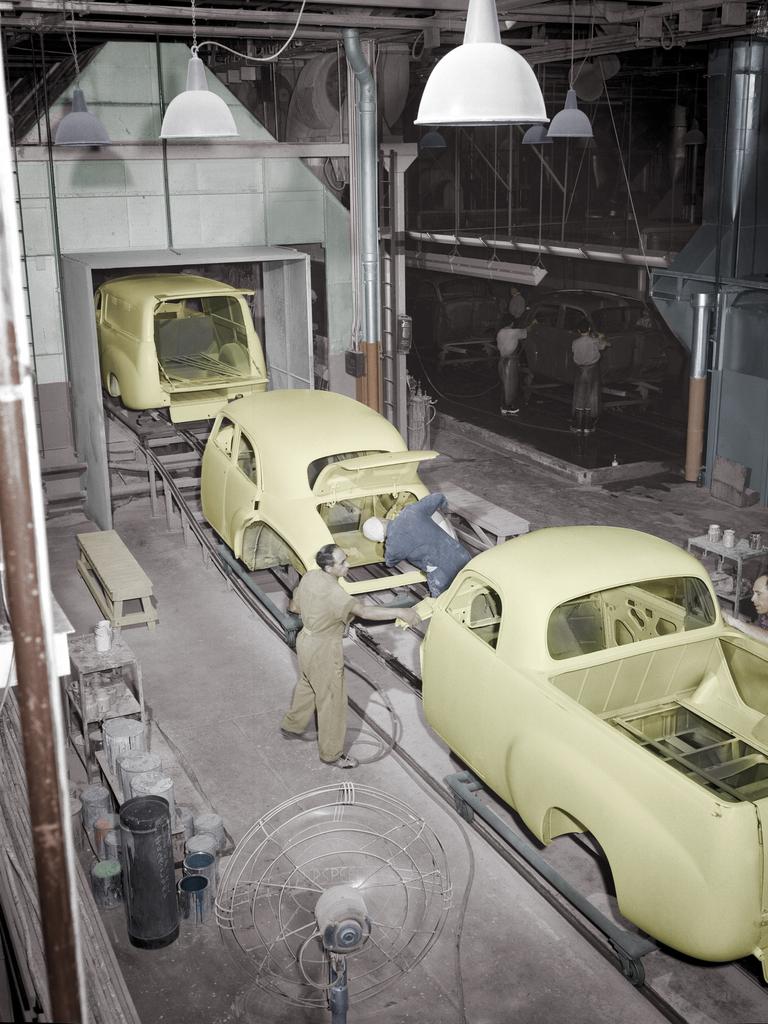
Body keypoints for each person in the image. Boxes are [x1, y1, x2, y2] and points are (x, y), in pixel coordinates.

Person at [280, 544, 420, 769]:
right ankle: (332, 754)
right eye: (342, 563)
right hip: (325, 649)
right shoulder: (335, 593)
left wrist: (319, 615)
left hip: (306, 641)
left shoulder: (310, 576)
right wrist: (400, 611)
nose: (348, 565)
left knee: (308, 686)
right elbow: (364, 612)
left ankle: (292, 726)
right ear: (329, 567)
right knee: (332, 701)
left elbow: (294, 606)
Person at [362, 492, 472, 598]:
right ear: (382, 520)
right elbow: (438, 497)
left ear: (380, 540)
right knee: (473, 584)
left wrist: (387, 546)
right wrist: (445, 509)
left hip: (443, 575)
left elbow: (389, 562)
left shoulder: (394, 545)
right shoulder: (410, 512)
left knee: (443, 602)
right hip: (462, 555)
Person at [571, 321, 609, 434]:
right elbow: (606, 345)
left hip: (580, 370)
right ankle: (588, 426)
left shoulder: (575, 342)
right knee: (591, 396)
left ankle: (577, 426)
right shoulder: (594, 341)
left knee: (579, 396)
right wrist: (601, 337)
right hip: (592, 370)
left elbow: (574, 352)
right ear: (589, 329)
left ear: (578, 331)